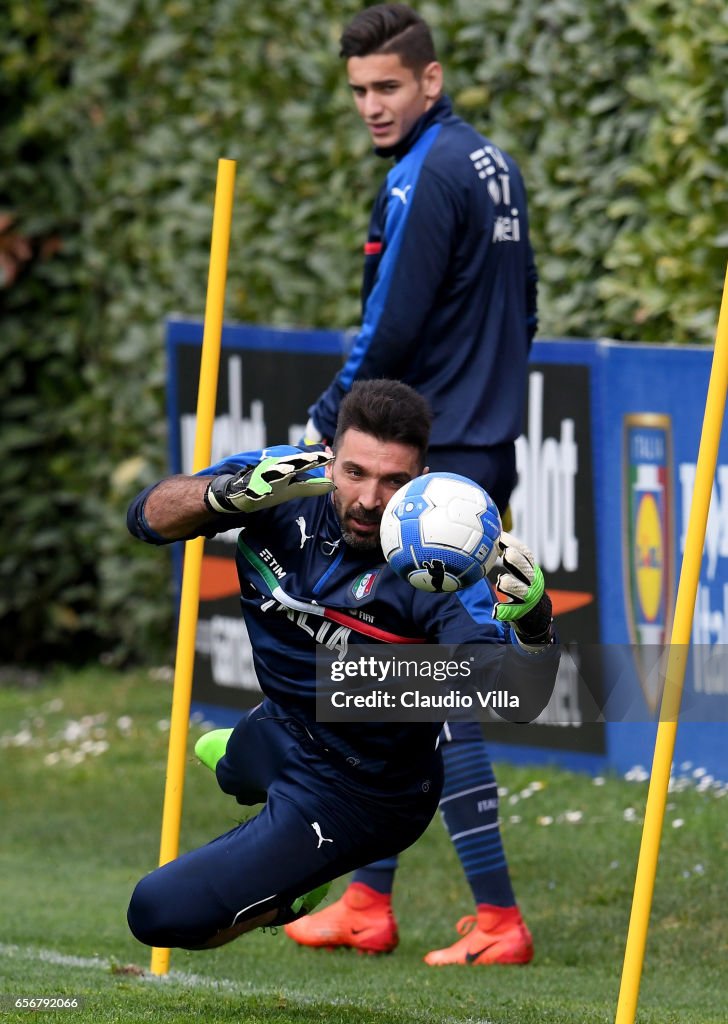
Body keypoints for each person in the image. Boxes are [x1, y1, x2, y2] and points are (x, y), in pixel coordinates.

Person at [125, 380, 558, 952]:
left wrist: (534, 626)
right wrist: (224, 497)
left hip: (362, 792)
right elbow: (146, 517)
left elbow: (515, 697)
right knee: (233, 768)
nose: (370, 499)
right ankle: (238, 759)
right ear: (330, 455)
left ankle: (294, 894)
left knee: (156, 913)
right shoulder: (282, 477)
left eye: (393, 481)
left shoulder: (440, 564)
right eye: (354, 472)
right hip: (282, 722)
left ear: (420, 478)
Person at [289, 4, 540, 965]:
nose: (371, 106)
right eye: (358, 91)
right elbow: (525, 309)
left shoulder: (424, 176)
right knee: (392, 672)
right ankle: (366, 898)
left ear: (430, 81)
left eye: (387, 86)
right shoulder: (490, 163)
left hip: (426, 462)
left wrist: (324, 429)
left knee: (434, 683)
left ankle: (499, 920)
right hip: (477, 446)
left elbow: (388, 331)